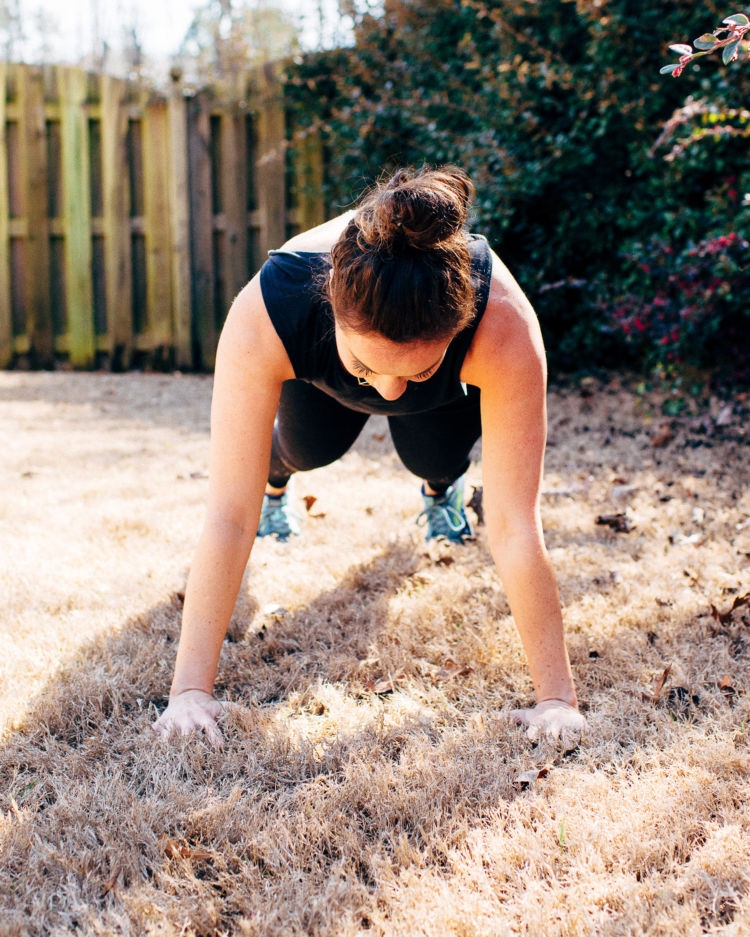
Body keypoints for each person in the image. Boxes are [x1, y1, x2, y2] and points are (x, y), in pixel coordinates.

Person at [152, 166, 585, 746]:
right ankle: (279, 483)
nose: (387, 393)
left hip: (442, 395)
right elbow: (229, 516)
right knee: (309, 447)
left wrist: (557, 699)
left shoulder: (501, 324)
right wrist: (189, 693)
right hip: (319, 377)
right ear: (330, 304)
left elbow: (512, 523)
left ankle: (439, 490)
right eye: (369, 367)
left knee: (433, 458)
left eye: (414, 368)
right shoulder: (271, 309)